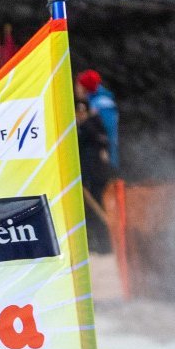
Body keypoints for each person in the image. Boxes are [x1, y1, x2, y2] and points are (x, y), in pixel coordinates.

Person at [75, 98, 115, 254]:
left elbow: (101, 142)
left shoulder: (92, 126)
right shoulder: (80, 127)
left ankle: (105, 244)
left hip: (95, 177)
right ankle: (96, 243)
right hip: (86, 176)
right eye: (78, 111)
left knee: (99, 208)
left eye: (82, 111)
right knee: (89, 213)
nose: (80, 114)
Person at [76, 69, 119, 171]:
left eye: (78, 85)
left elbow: (105, 133)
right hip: (98, 157)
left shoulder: (101, 104)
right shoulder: (95, 102)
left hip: (101, 159)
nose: (76, 88)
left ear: (85, 87)